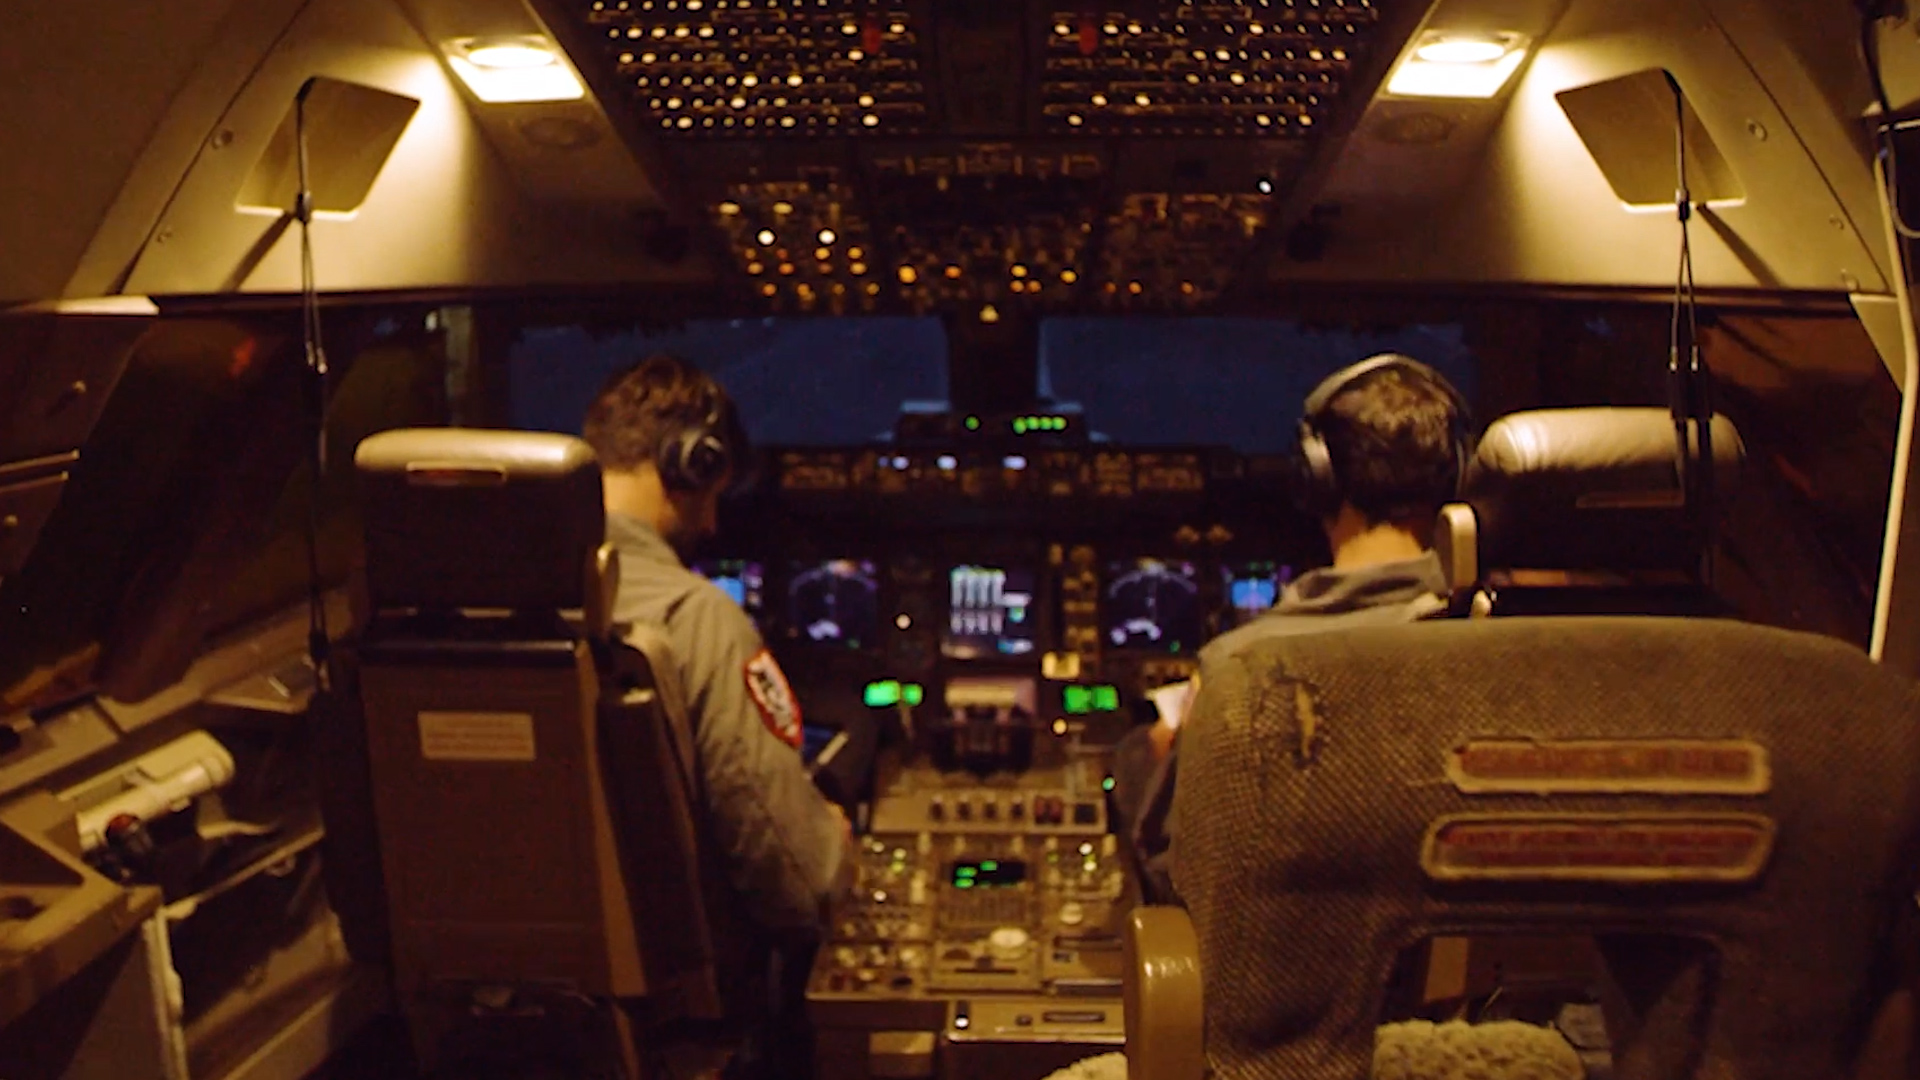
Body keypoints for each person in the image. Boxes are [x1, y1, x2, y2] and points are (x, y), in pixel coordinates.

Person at [1111, 353, 1472, 902]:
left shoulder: (1241, 667)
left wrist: (1160, 752)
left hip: (1287, 981)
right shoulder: (1495, 632)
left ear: (1318, 477)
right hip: (1463, 976)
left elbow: (1175, 870)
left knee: (1139, 751)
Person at [581, 354, 850, 1074]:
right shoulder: (694, 618)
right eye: (714, 491)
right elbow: (795, 880)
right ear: (692, 461)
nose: (714, 517)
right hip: (678, 1034)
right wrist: (835, 841)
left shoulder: (482, 607)